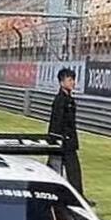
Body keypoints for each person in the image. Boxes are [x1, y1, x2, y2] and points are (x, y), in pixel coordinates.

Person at [48, 67, 84, 195]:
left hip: (69, 142)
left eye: (73, 79)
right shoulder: (60, 101)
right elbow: (55, 123)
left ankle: (78, 196)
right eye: (70, 80)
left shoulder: (69, 100)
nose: (73, 82)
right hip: (62, 142)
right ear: (62, 82)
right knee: (55, 170)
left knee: (73, 172)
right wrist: (55, 141)